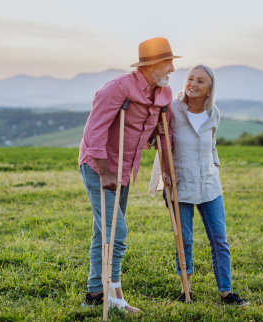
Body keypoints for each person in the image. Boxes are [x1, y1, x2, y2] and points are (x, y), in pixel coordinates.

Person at [79, 37, 180, 312]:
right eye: (168, 63)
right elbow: (94, 132)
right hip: (99, 167)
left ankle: (95, 293)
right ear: (152, 65)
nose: (172, 69)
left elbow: (165, 135)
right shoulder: (118, 88)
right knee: (116, 231)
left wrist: (167, 173)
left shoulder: (163, 94)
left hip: (124, 171)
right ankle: (115, 297)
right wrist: (104, 172)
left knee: (104, 232)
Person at [150, 64, 249, 306]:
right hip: (178, 182)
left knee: (219, 239)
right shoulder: (171, 109)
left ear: (209, 90)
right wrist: (157, 132)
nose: (192, 84)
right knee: (184, 240)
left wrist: (215, 164)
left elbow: (212, 141)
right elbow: (154, 139)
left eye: (200, 81)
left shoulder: (213, 112)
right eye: (190, 79)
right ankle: (186, 291)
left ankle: (226, 292)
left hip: (208, 184)